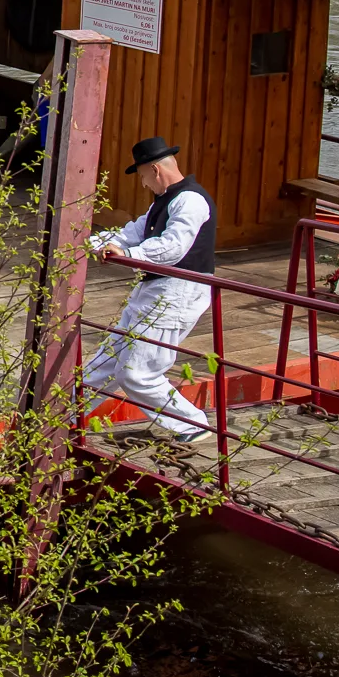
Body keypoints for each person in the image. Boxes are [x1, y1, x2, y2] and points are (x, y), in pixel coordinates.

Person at [85, 136, 218, 453]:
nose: (143, 183)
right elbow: (132, 232)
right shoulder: (165, 201)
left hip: (178, 292)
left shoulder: (190, 201)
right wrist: (91, 243)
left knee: (138, 373)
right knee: (107, 360)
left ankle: (192, 425)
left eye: (143, 175)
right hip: (155, 290)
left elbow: (173, 247)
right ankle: (59, 417)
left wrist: (129, 254)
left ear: (155, 170)